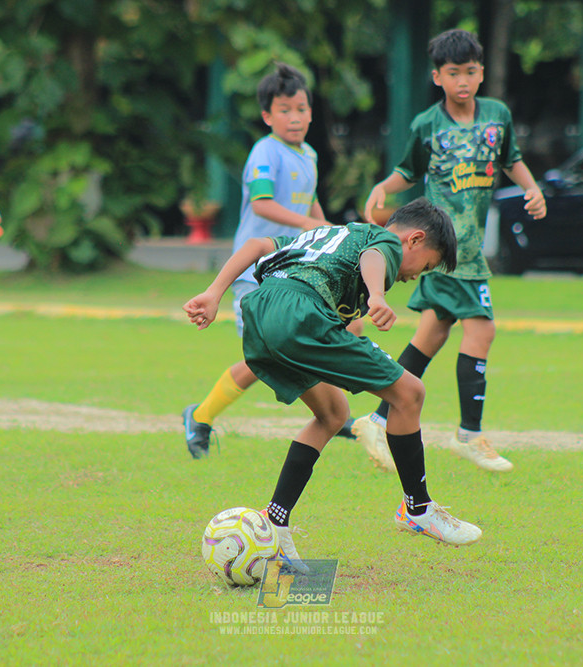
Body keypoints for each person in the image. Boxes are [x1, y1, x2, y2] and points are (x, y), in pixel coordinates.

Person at [183, 198, 483, 564]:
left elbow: (258, 246)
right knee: (410, 393)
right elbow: (375, 256)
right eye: (426, 267)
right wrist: (376, 295)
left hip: (261, 313)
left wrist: (214, 293)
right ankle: (417, 508)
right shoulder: (385, 241)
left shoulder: (326, 234)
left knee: (333, 413)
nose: (412, 277)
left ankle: (275, 522)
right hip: (299, 314)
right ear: (415, 240)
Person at [352, 28, 547, 473]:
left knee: (431, 335)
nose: (463, 80)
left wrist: (532, 188)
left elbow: (511, 159)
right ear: (437, 77)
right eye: (453, 73)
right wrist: (383, 187)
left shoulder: (497, 117)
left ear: (482, 74)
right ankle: (470, 435)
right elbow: (406, 170)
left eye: (471, 72)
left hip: (471, 248)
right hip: (444, 249)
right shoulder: (427, 124)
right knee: (482, 331)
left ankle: (378, 418)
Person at [182, 62, 360, 459]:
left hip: (293, 274)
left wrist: (326, 227)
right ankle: (202, 416)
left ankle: (335, 411)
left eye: (301, 109)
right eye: (284, 110)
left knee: (307, 340)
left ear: (312, 112)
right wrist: (310, 223)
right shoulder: (265, 151)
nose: (294, 117)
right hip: (253, 273)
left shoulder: (309, 154)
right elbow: (263, 202)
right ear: (267, 116)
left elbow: (309, 200)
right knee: (269, 355)